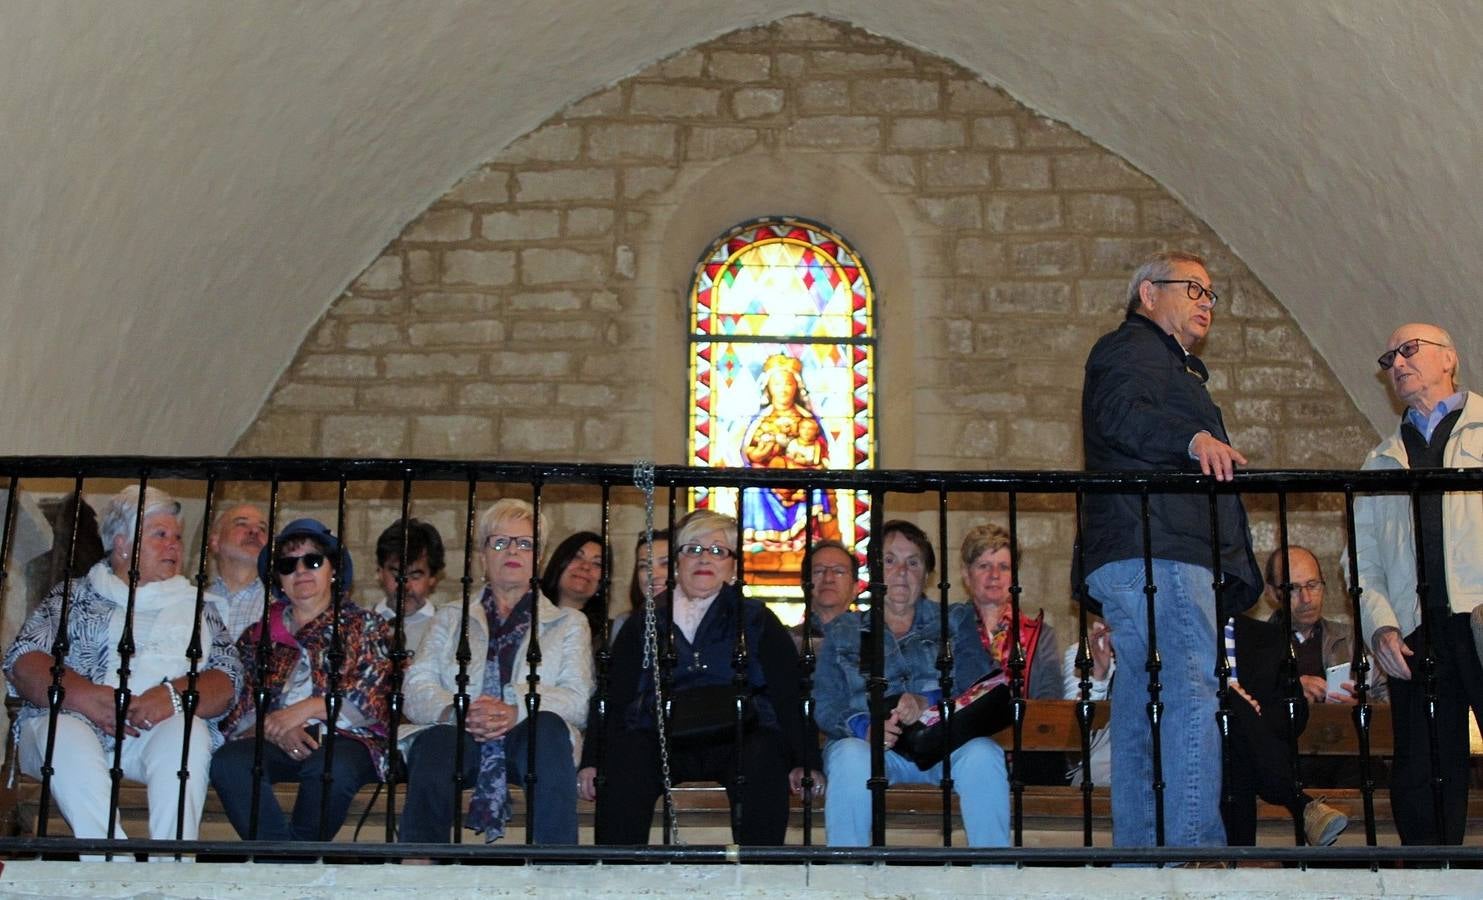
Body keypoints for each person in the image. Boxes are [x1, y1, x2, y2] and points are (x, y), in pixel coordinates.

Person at [1079, 250, 1263, 847]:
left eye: (1211, 294)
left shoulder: (1167, 363)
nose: (1206, 302)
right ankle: (1190, 851)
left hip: (1146, 548)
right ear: (1149, 294)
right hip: (1161, 549)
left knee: (1139, 704)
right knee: (1188, 690)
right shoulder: (1130, 349)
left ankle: (1140, 851)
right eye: (1194, 289)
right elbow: (1120, 417)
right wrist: (1193, 437)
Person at [4, 486, 242, 843]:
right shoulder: (74, 596)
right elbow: (23, 658)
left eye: (176, 536)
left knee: (187, 732)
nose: (174, 545)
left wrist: (174, 695)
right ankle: (109, 863)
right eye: (160, 535)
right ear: (121, 544)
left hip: (148, 733)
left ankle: (172, 865)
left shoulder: (199, 609)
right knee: (64, 733)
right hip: (73, 723)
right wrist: (84, 696)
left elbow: (228, 677)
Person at [592, 509, 820, 845]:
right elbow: (615, 693)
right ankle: (619, 879)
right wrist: (591, 761)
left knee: (765, 754)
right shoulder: (647, 619)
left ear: (732, 566)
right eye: (693, 549)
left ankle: (759, 877)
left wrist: (807, 762)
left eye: (717, 551)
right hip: (660, 734)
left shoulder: (756, 619)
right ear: (678, 562)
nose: (704, 559)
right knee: (626, 757)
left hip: (739, 737)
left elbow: (789, 693)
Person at [1351, 322, 1483, 845]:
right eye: (1389, 359)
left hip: (1479, 618)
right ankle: (1432, 880)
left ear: (1448, 358)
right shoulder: (1380, 460)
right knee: (1423, 773)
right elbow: (1362, 562)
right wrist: (1380, 627)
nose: (1397, 364)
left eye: (1409, 351)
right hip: (1415, 628)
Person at [401, 498, 593, 845]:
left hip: (528, 736)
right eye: (500, 542)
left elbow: (578, 701)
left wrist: (516, 707)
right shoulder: (449, 617)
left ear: (540, 557)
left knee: (547, 730)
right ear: (482, 557)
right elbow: (416, 688)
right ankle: (420, 863)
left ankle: (556, 864)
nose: (512, 551)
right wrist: (461, 709)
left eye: (525, 543)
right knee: (435, 742)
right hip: (462, 731)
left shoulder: (569, 623)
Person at [815, 519, 1010, 847]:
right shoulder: (844, 630)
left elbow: (978, 685)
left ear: (927, 574)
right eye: (890, 561)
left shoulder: (955, 620)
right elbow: (826, 702)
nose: (901, 571)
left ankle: (993, 878)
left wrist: (928, 702)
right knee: (849, 757)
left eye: (913, 562)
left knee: (984, 755)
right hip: (873, 748)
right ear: (874, 571)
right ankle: (847, 878)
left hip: (943, 744)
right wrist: (865, 727)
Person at [211, 518, 393, 843]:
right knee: (230, 764)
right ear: (279, 579)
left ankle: (290, 865)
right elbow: (238, 704)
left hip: (348, 740)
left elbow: (376, 691)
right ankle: (285, 863)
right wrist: (274, 727)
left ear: (333, 570)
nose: (301, 570)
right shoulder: (257, 636)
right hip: (276, 740)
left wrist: (306, 709)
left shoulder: (365, 624)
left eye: (312, 560)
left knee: (328, 770)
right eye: (288, 564)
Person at [1221, 614, 1348, 847]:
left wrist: (1251, 713)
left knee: (1235, 719)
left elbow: (1293, 716)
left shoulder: (1265, 637)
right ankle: (1301, 803)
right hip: (1200, 747)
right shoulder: (1172, 633)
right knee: (1228, 699)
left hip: (1247, 761)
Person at [959, 523, 1066, 784]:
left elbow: (1046, 703)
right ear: (966, 574)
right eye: (984, 566)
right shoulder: (948, 629)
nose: (994, 575)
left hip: (1024, 757)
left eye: (1003, 567)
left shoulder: (1040, 636)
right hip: (963, 752)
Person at [740, 354, 837, 577]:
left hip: (800, 477)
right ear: (769, 388)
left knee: (815, 485)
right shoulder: (761, 420)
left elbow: (822, 455)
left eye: (788, 383)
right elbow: (748, 453)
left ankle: (805, 539)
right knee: (753, 486)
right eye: (777, 383)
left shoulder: (808, 420)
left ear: (796, 387)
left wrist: (805, 460)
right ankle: (760, 540)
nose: (783, 389)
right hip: (768, 477)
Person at [1264, 545, 1386, 706]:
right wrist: (1288, 690)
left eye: (1312, 585)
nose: (1306, 599)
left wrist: (1361, 705)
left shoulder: (1353, 640)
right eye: (1293, 588)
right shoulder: (1256, 645)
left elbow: (1390, 704)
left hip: (1344, 730)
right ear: (1272, 593)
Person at [372, 517, 445, 656]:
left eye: (415, 575)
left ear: (432, 578)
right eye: (396, 573)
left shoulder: (446, 628)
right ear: (380, 572)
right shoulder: (359, 626)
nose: (404, 586)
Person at [205, 503, 269, 644]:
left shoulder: (279, 604)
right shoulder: (196, 602)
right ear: (215, 542)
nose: (254, 531)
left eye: (262, 528)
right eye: (241, 524)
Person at [538, 530, 605, 650]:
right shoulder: (527, 618)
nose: (585, 566)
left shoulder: (607, 636)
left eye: (597, 563)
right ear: (558, 563)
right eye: (577, 557)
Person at [791, 538, 858, 652]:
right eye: (818, 571)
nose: (828, 578)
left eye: (839, 571)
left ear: (855, 588)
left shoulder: (873, 642)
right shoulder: (787, 641)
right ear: (804, 585)